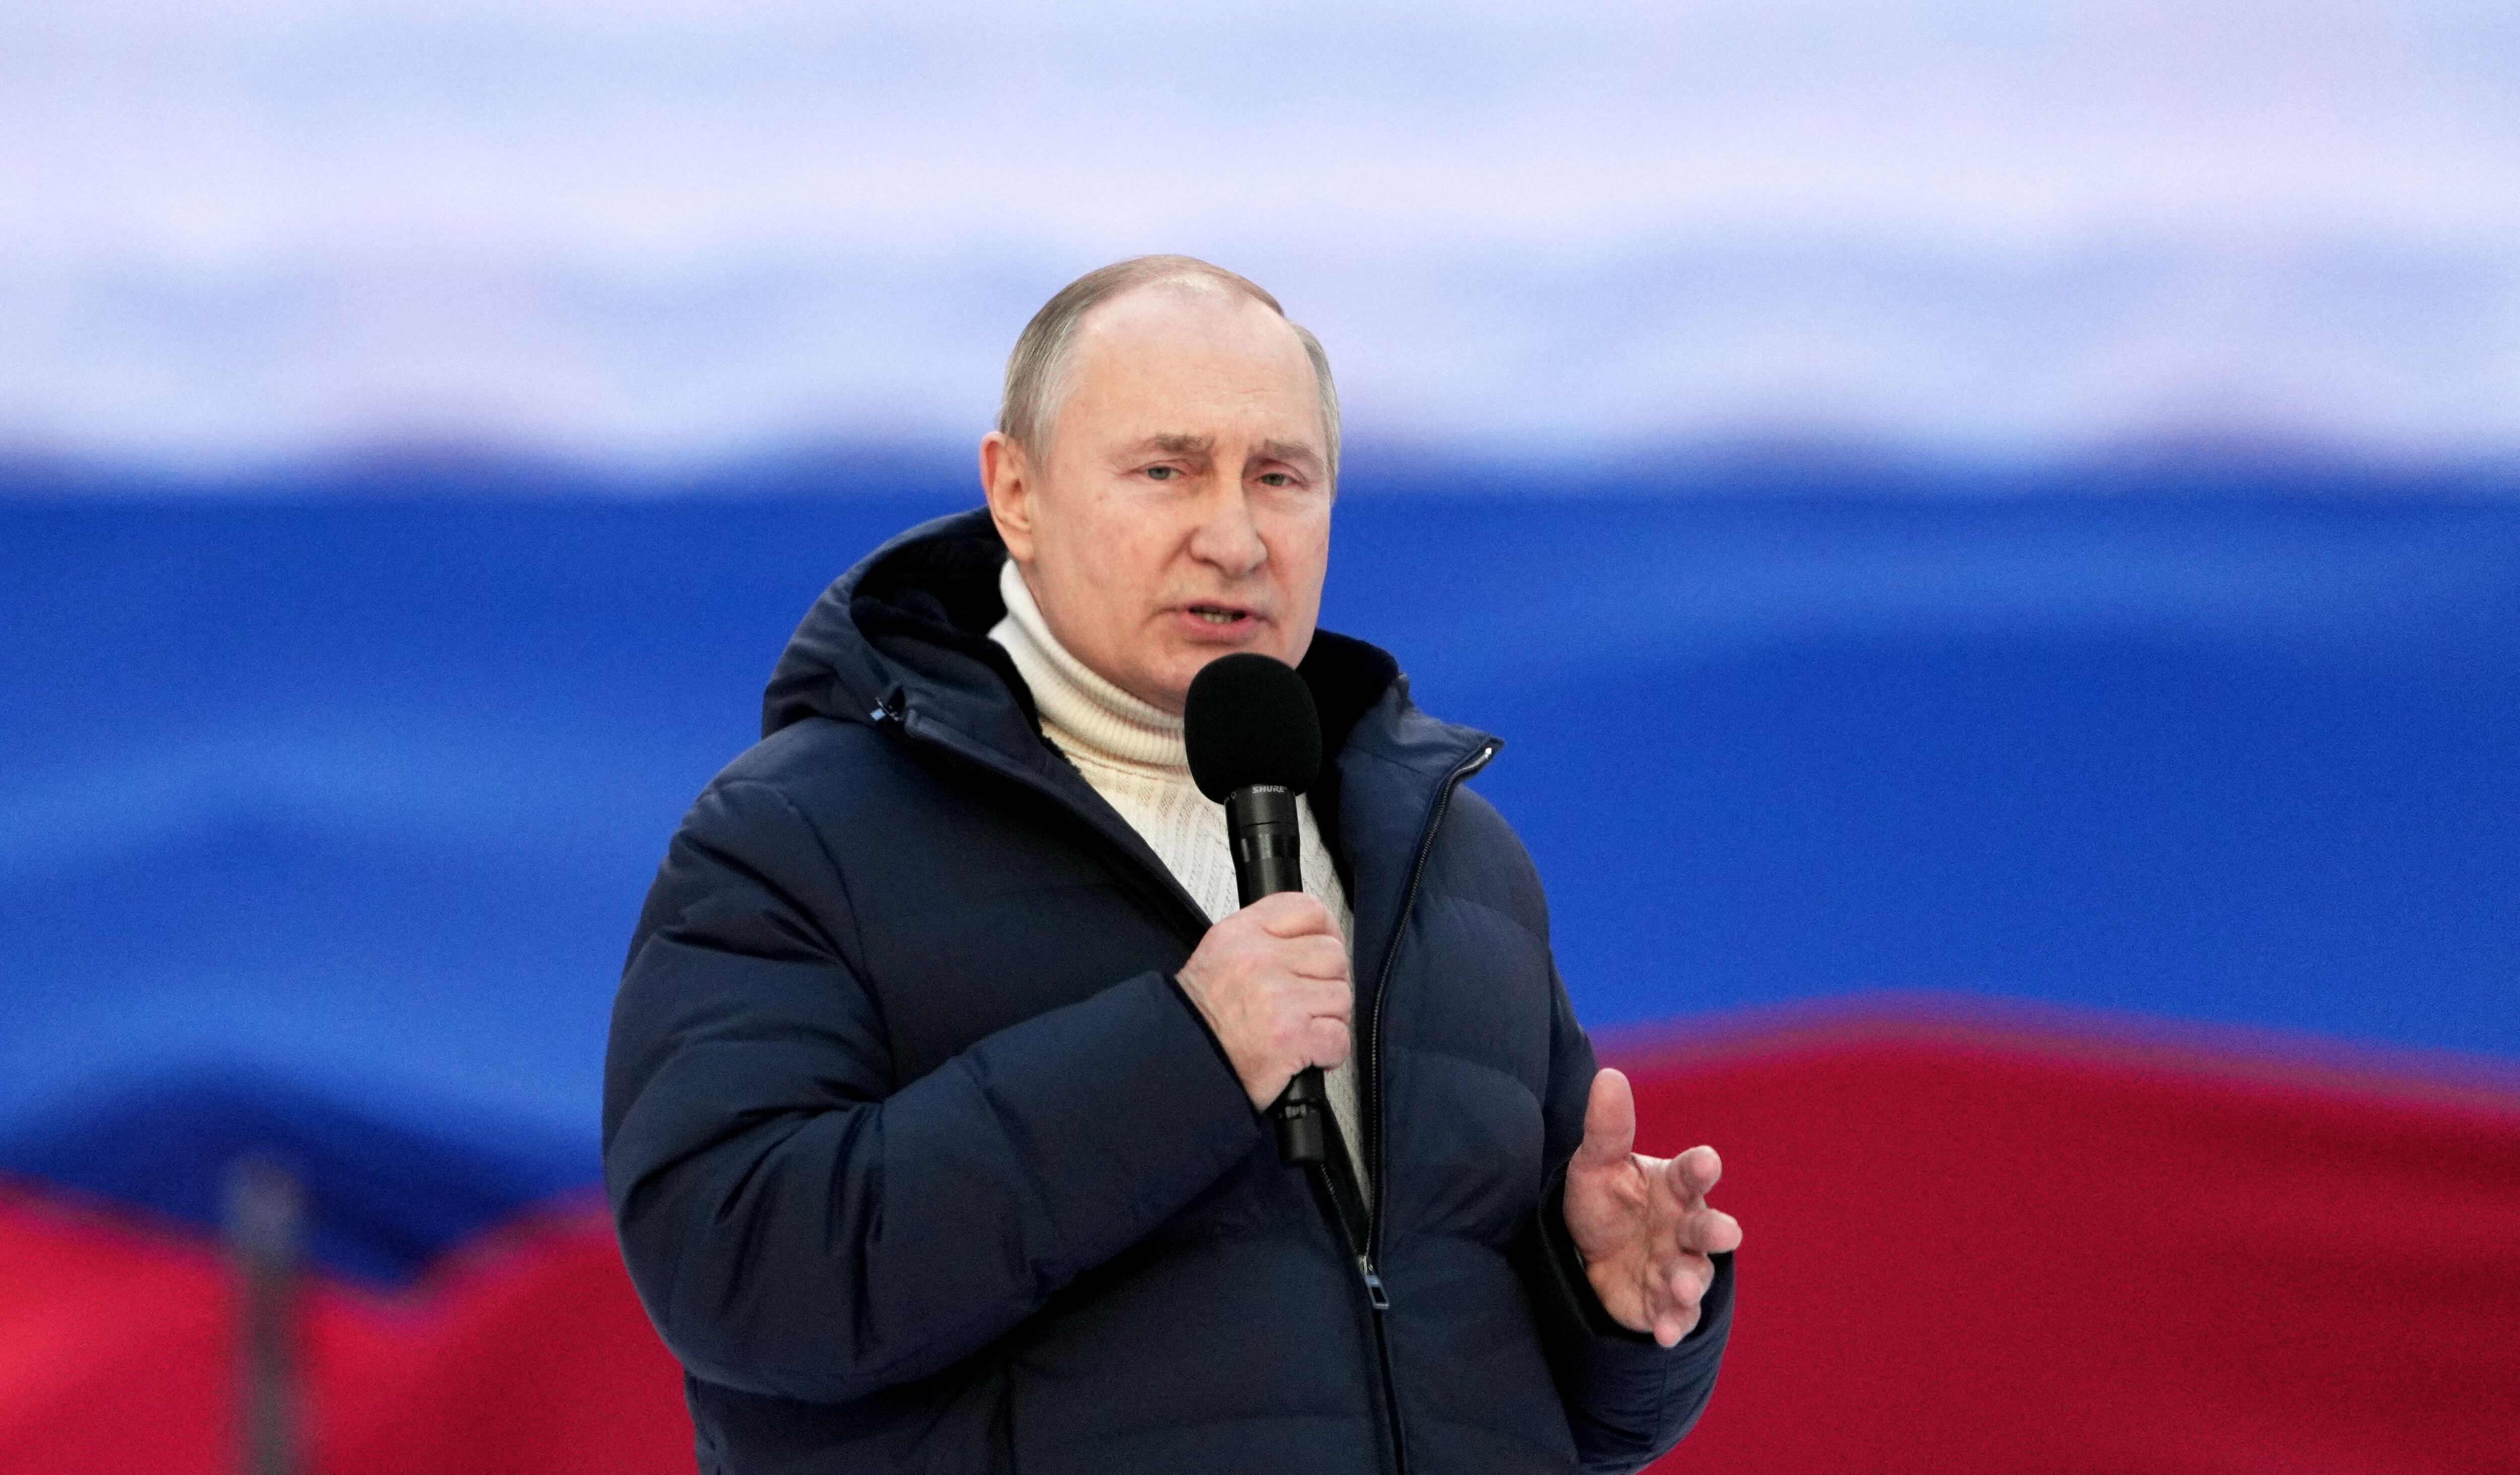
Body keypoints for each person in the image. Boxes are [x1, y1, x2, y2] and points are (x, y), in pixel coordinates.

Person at [603, 256, 1741, 1475]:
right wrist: (1187, 1055)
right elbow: (737, 1277)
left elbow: (1546, 1413)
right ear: (1017, 491)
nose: (1236, 536)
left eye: (1279, 477)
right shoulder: (800, 833)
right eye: (1167, 469)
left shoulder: (1455, 857)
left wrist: (1613, 1310)